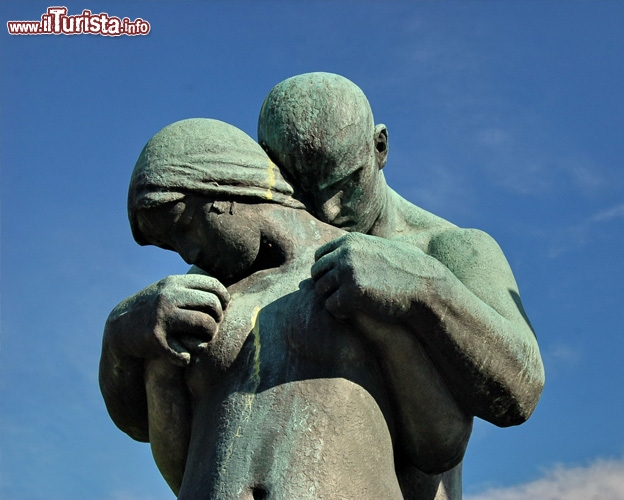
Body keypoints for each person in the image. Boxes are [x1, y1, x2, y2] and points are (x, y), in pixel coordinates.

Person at [100, 118, 473, 499]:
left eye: (184, 225)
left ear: (225, 190)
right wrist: (122, 337)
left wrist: (405, 308)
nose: (188, 252)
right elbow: (156, 441)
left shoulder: (364, 269)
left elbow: (439, 443)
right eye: (171, 245)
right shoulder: (197, 304)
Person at [257, 72, 545, 498]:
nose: (328, 210)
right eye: (302, 190)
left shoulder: (450, 249)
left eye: (345, 183)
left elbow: (522, 392)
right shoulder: (259, 254)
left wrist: (426, 289)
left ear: (380, 147)